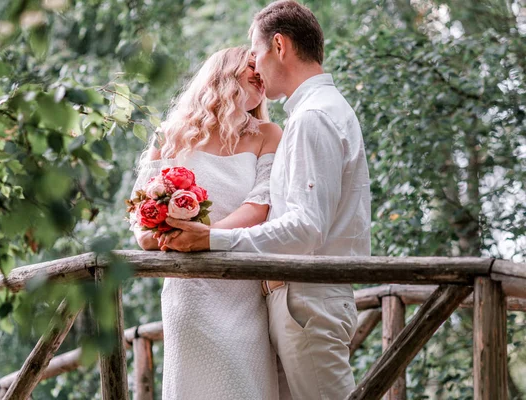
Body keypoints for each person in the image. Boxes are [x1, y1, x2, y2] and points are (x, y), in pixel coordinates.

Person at [161, 1, 372, 399]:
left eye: (255, 52)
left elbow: (306, 228)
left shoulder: (313, 118)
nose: (255, 65)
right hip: (301, 300)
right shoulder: (314, 113)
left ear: (279, 46)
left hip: (308, 301)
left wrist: (210, 239)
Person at [129, 47, 282, 399]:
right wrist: (156, 235)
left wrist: (207, 235)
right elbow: (140, 215)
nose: (260, 75)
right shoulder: (169, 135)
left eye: (263, 72)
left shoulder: (269, 135)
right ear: (224, 72)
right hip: (189, 290)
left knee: (243, 384)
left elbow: (259, 205)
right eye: (251, 68)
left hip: (241, 287)